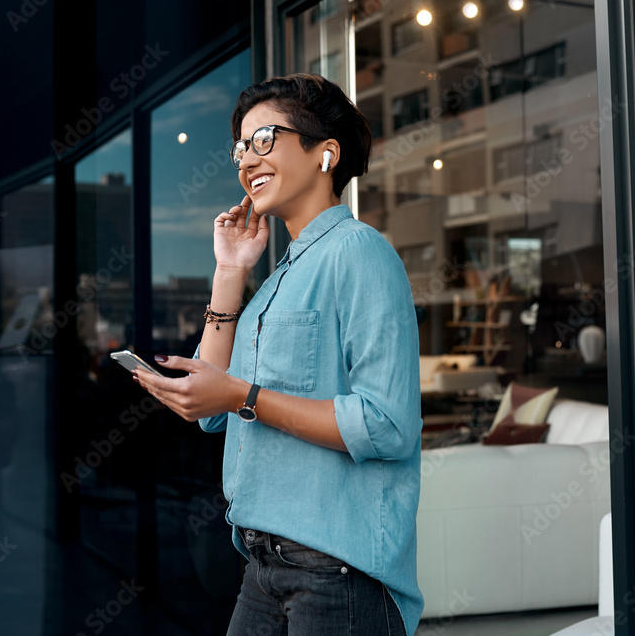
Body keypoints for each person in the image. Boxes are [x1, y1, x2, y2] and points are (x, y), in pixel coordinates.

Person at [133, 73, 423, 635]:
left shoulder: (359, 252)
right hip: (263, 566)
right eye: (241, 147)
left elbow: (387, 425)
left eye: (263, 139)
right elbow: (215, 410)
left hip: (337, 571)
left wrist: (244, 396)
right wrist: (230, 271)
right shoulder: (274, 282)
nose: (246, 159)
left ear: (325, 154)